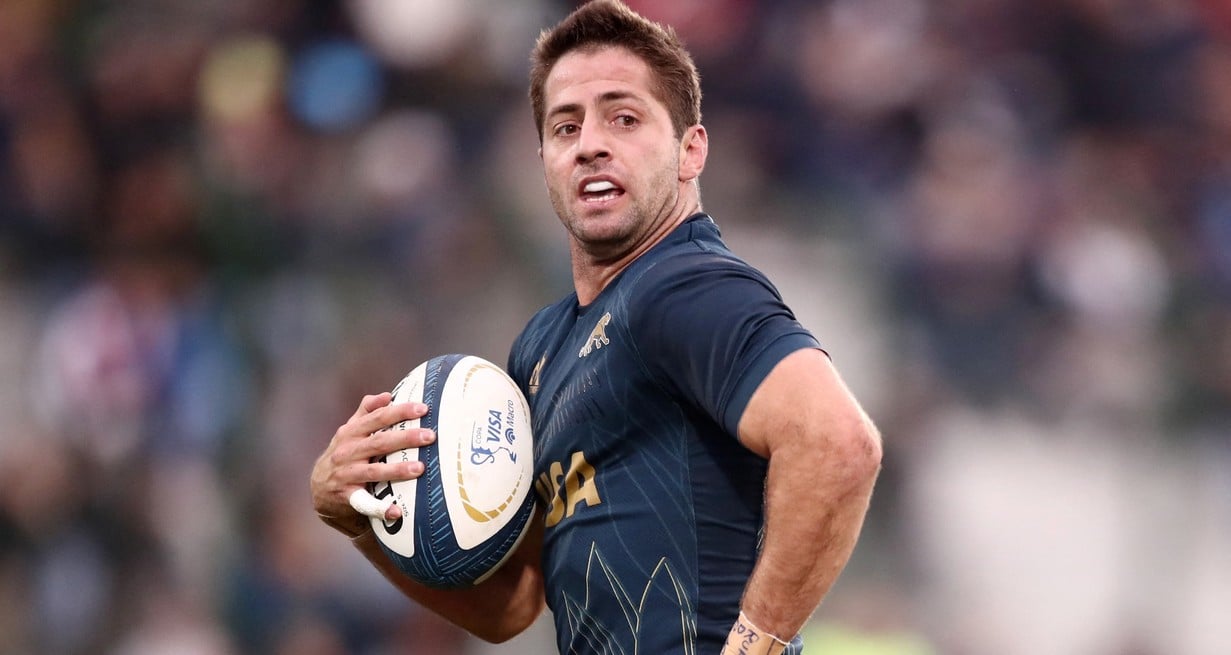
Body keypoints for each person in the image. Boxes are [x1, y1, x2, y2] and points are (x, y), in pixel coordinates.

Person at [310, 1, 882, 653]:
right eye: (565, 127)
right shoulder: (540, 348)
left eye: (624, 118)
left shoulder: (685, 286)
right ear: (545, 161)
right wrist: (362, 521)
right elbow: (512, 606)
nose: (589, 144)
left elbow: (839, 446)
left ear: (690, 150)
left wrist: (756, 646)